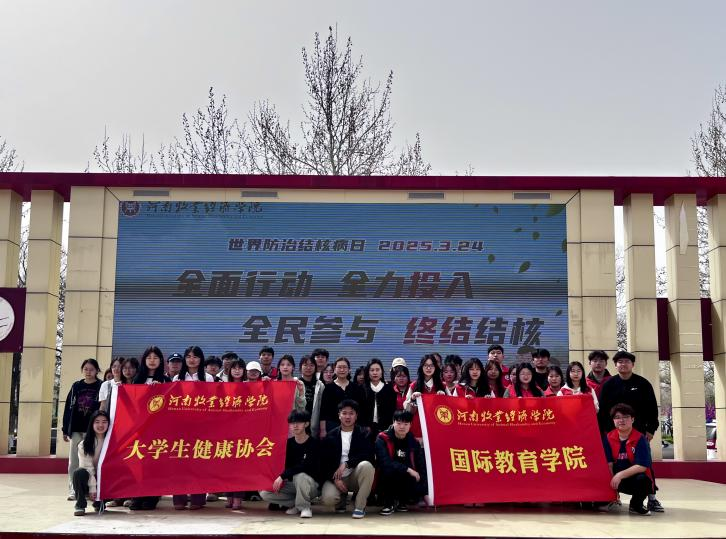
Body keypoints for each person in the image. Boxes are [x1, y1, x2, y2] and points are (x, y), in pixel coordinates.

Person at [597, 350, 663, 513]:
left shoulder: (643, 384)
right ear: (615, 365)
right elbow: (603, 411)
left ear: (632, 364)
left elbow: (652, 408)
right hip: (613, 434)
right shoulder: (609, 385)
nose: (623, 364)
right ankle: (611, 496)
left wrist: (650, 429)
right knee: (610, 464)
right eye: (620, 362)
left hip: (638, 432)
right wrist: (605, 432)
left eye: (627, 362)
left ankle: (652, 498)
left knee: (644, 464)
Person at [172, 346, 214, 510]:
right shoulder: (177, 378)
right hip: (181, 426)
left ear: (200, 359)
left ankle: (197, 498)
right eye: (188, 356)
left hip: (201, 426)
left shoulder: (208, 378)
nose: (192, 359)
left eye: (195, 356)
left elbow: (213, 401)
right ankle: (179, 498)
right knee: (180, 461)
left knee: (198, 461)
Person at [260, 410, 321, 518]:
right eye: (292, 423)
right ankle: (296, 504)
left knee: (300, 476)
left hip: (311, 485)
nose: (295, 425)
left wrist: (283, 476)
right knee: (265, 492)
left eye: (299, 422)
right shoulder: (288, 444)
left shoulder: (314, 443)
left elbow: (305, 466)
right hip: (293, 484)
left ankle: (305, 507)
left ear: (306, 424)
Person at [320, 400, 375, 519]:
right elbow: (323, 463)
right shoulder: (331, 436)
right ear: (339, 415)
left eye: (351, 413)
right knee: (328, 499)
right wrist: (335, 479)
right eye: (344, 413)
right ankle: (341, 499)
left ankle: (360, 507)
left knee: (367, 466)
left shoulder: (363, 433)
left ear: (356, 416)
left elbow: (368, 455)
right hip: (337, 477)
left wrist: (347, 464)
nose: (348, 417)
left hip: (355, 476)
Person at [602, 404, 657, 516]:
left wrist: (620, 475)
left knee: (644, 480)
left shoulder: (640, 438)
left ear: (632, 419)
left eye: (625, 417)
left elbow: (642, 466)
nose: (621, 420)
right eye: (617, 417)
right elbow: (609, 464)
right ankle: (610, 499)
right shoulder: (608, 438)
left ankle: (636, 505)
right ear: (613, 421)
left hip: (633, 479)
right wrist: (612, 489)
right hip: (615, 479)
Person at [62, 358, 102, 500]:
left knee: (92, 461)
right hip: (76, 429)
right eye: (86, 369)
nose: (88, 372)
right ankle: (74, 489)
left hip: (93, 430)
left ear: (97, 371)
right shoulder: (76, 386)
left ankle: (93, 489)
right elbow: (68, 407)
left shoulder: (101, 385)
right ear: (82, 370)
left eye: (91, 369)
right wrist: (65, 428)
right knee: (74, 461)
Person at [375, 410, 427, 515]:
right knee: (389, 471)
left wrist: (424, 488)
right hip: (386, 477)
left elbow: (420, 464)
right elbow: (385, 462)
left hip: (406, 477)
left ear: (410, 425)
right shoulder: (382, 438)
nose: (402, 427)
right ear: (393, 422)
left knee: (415, 476)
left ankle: (402, 501)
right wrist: (408, 470)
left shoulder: (413, 442)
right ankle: (388, 503)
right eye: (398, 423)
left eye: (406, 424)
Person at [71, 410, 110, 516]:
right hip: (90, 477)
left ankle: (101, 502)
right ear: (92, 424)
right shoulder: (84, 444)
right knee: (79, 473)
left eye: (104, 422)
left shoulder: (112, 442)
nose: (101, 425)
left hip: (105, 478)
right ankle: (80, 505)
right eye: (97, 422)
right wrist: (93, 487)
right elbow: (87, 467)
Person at [319, 357, 367, 438]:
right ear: (335, 370)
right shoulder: (328, 388)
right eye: (339, 367)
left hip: (353, 426)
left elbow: (362, 408)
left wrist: (363, 426)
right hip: (332, 426)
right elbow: (323, 411)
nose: (342, 370)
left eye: (345, 367)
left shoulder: (356, 388)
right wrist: (323, 430)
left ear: (349, 370)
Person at [404, 354, 446, 439]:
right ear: (421, 367)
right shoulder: (414, 385)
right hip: (417, 428)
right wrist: (412, 399)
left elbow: (451, 408)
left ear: (435, 367)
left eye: (431, 365)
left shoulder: (443, 386)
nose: (428, 368)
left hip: (437, 428)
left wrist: (444, 398)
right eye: (426, 365)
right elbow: (406, 409)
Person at [361, 358, 397, 437]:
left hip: (386, 429)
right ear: (368, 372)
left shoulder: (389, 389)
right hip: (366, 430)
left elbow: (393, 410)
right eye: (372, 370)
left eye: (377, 370)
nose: (375, 373)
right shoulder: (362, 389)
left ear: (381, 372)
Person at [299, 355, 324, 438]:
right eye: (305, 365)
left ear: (315, 368)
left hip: (314, 423)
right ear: (300, 367)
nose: (308, 368)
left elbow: (322, 408)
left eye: (311, 365)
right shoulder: (296, 383)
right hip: (298, 421)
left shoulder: (320, 385)